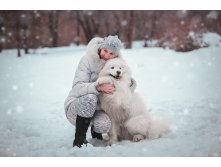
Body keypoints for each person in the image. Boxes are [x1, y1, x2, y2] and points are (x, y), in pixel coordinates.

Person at [64, 35, 137, 148]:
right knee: (91, 97)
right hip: (76, 108)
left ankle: (96, 135)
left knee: (104, 124)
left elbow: (127, 83)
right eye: (105, 51)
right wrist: (97, 88)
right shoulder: (87, 60)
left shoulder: (115, 66)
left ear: (115, 55)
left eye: (111, 53)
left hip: (97, 109)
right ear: (100, 48)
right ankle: (79, 140)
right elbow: (77, 87)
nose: (107, 55)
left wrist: (130, 85)